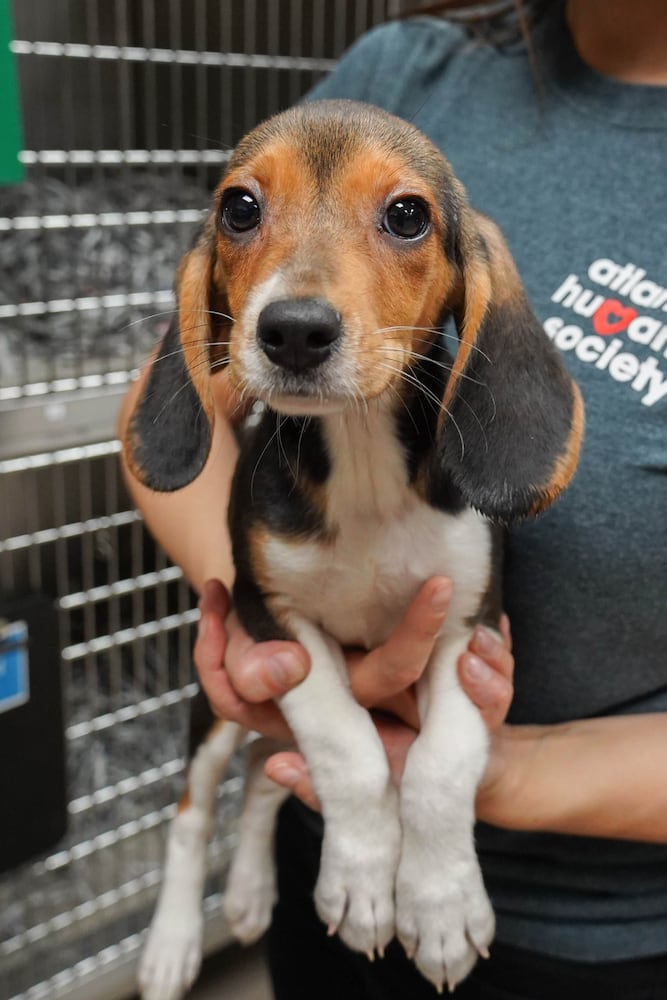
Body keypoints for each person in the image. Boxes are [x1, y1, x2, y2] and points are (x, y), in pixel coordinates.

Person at [119, 0, 667, 996]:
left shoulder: (466, 476)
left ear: (464, 281)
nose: (303, 300)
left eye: (402, 216)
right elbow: (172, 424)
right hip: (320, 854)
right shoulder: (402, 68)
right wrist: (267, 639)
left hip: (606, 941)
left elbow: (467, 629)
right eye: (247, 210)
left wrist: (466, 781)